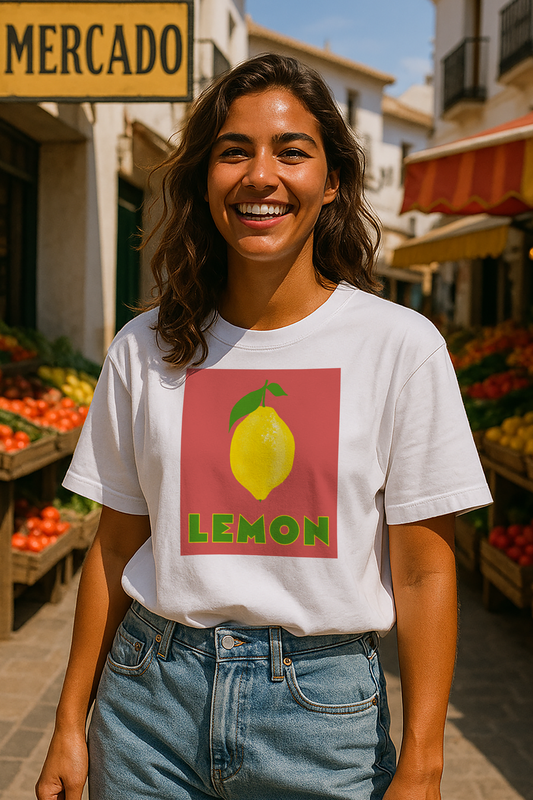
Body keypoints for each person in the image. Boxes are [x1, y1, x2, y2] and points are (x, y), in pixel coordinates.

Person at [36, 54, 491, 800]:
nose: (260, 175)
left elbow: (423, 570)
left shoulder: (400, 347)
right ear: (205, 178)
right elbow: (115, 546)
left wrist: (424, 760)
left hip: (324, 719)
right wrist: (66, 721)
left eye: (290, 151)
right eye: (233, 151)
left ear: (332, 180)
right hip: (149, 708)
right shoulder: (144, 348)